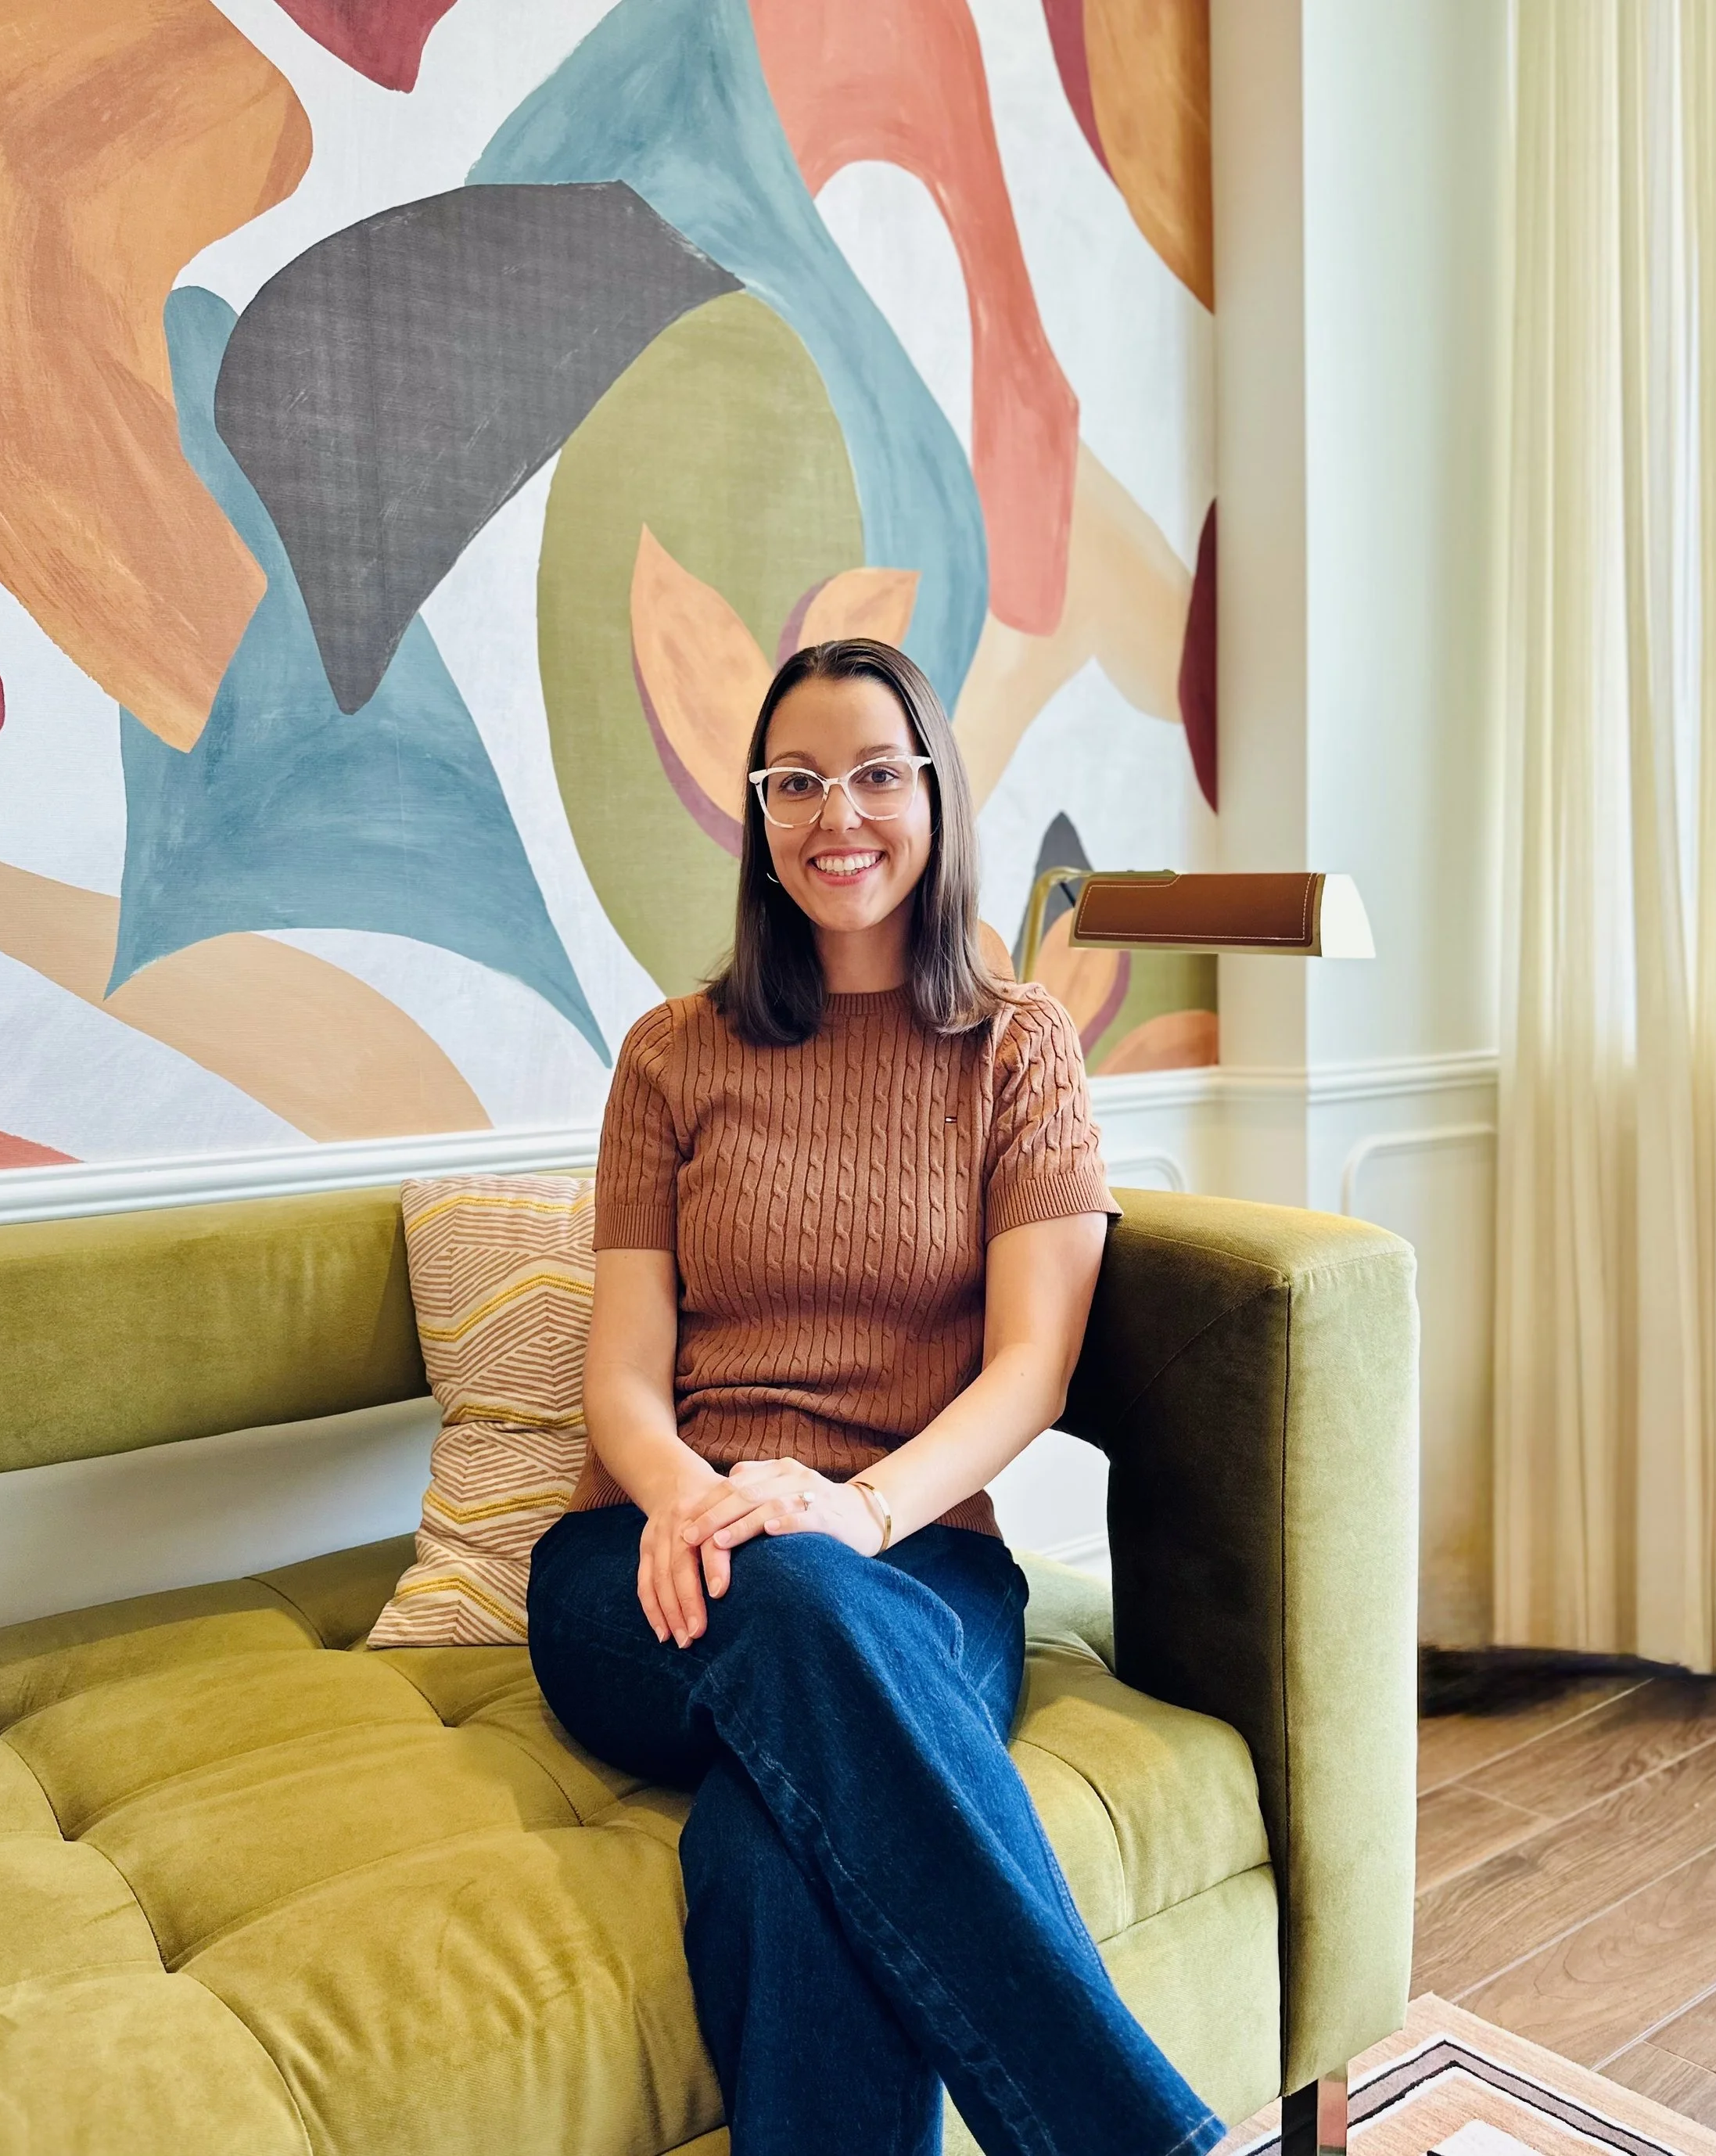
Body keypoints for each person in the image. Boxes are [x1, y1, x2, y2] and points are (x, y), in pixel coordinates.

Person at [526, 638, 1221, 2156]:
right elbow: (623, 1369)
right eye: (794, 781)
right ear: (759, 816)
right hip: (643, 1568)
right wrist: (696, 1497)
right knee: (782, 1590)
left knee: (778, 1857)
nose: (833, 811)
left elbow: (1029, 1365)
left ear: (931, 794)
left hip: (915, 1561)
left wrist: (855, 1505)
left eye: (872, 772)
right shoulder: (669, 1054)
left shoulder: (1017, 1045)